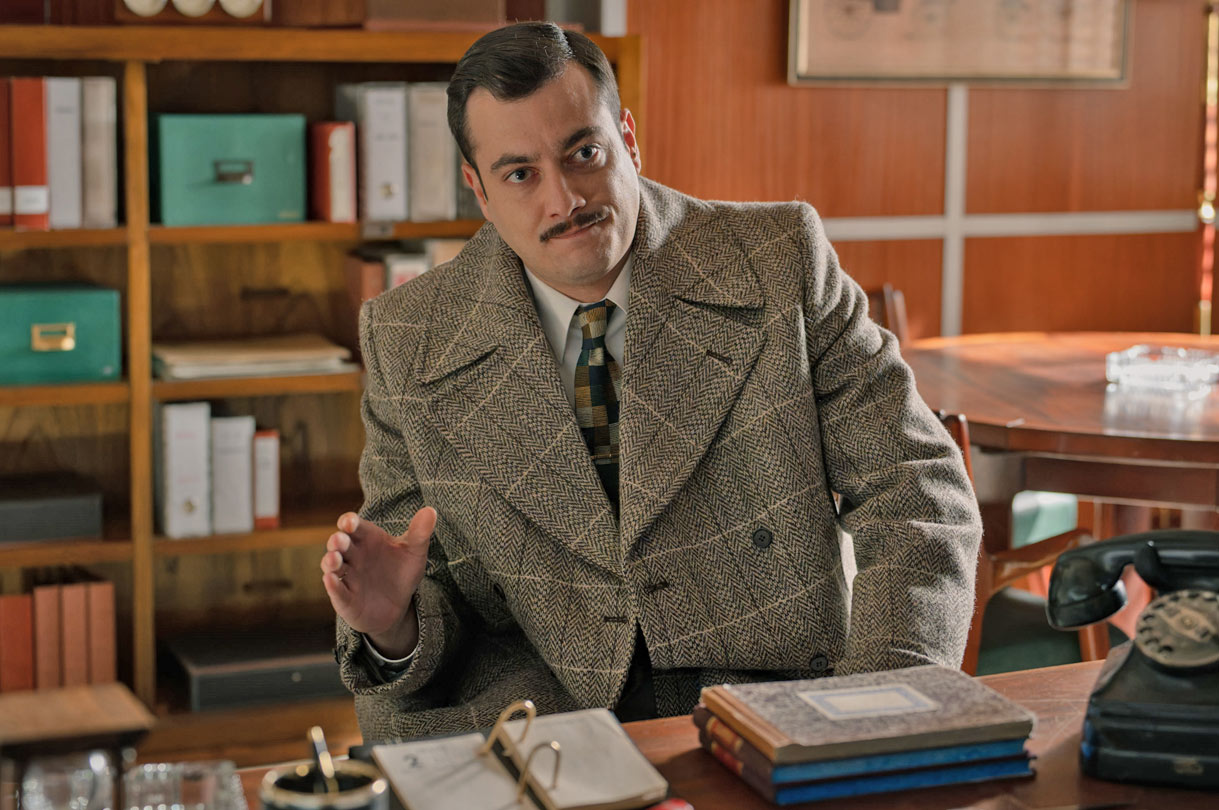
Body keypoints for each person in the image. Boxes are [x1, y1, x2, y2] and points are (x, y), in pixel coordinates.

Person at [320, 21, 982, 743]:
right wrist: (394, 624)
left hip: (773, 699)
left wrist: (881, 708)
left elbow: (916, 493)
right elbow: (421, 583)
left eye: (583, 154)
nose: (564, 200)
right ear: (478, 189)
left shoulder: (777, 259)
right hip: (537, 717)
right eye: (520, 174)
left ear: (628, 140)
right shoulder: (408, 334)